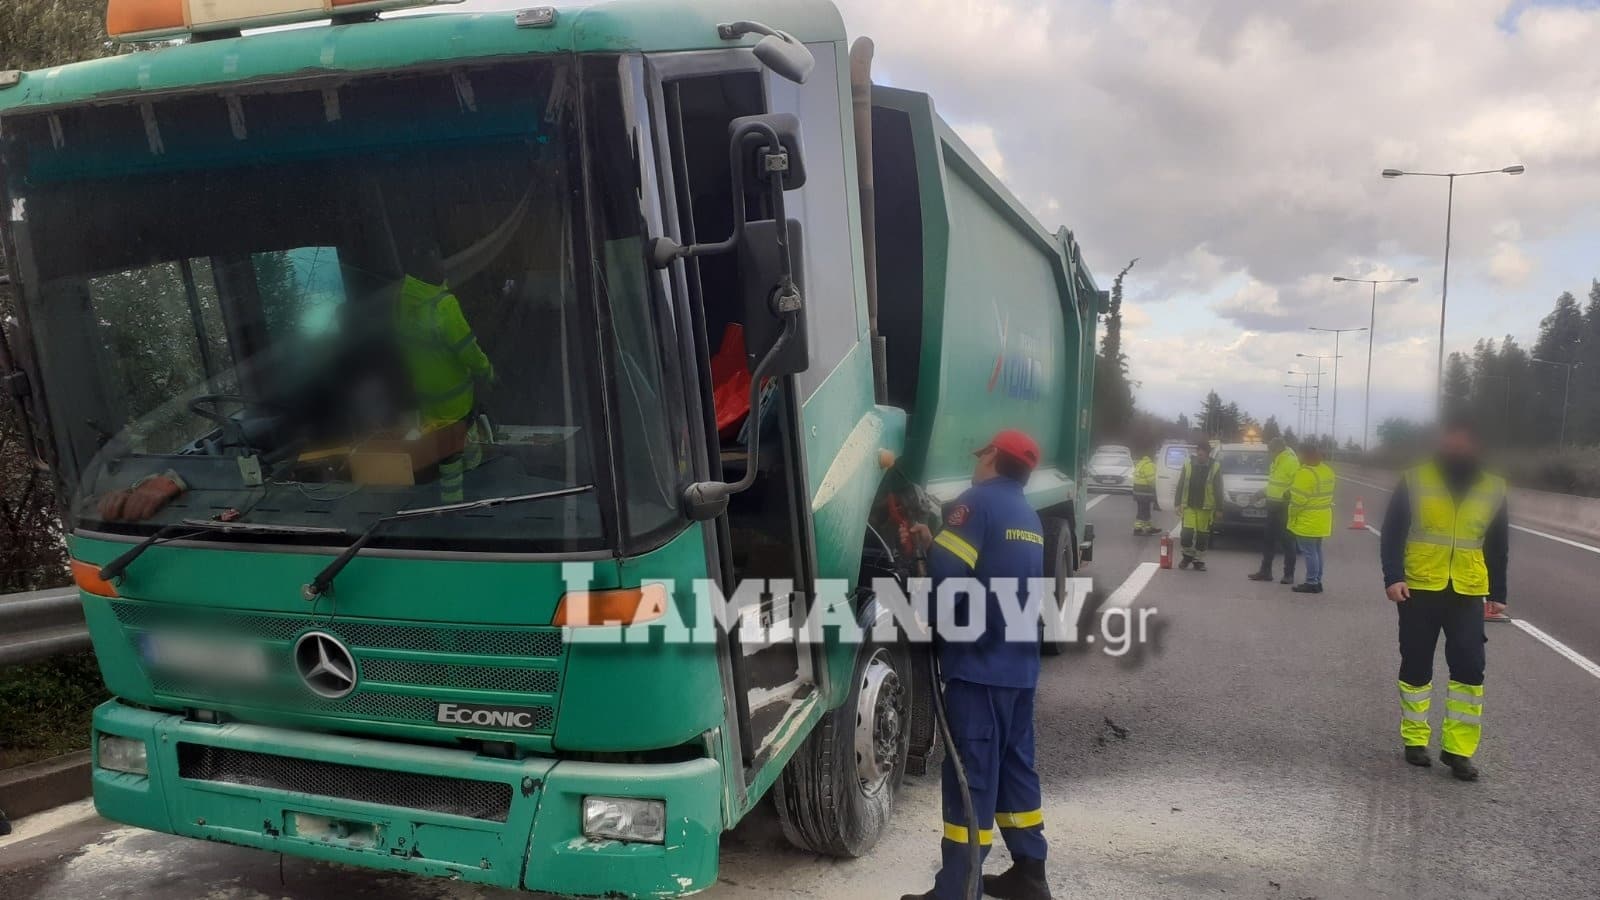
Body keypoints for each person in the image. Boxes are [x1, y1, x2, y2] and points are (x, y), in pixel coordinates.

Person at [901, 429, 1052, 900]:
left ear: (992, 457)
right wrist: (937, 541)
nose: (975, 462)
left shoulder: (976, 503)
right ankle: (1030, 873)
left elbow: (948, 579)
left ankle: (956, 890)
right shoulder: (1028, 515)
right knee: (1014, 769)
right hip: (1019, 670)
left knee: (971, 774)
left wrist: (920, 604)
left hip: (980, 672)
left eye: (979, 454)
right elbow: (991, 567)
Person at [1379, 417, 1508, 781]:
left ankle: (1458, 751)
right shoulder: (1416, 479)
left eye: (1465, 440)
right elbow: (1392, 532)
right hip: (1419, 587)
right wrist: (1393, 577)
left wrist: (1498, 592)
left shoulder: (1493, 487)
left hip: (1467, 591)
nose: (1458, 446)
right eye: (1453, 439)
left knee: (1470, 668)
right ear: (1443, 442)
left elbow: (1498, 543)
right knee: (1417, 664)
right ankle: (1416, 741)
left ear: (1476, 445)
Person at [393, 244, 495, 502]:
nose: (443, 266)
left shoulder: (403, 301)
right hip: (456, 401)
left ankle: (457, 501)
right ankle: (461, 507)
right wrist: (487, 371)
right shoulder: (444, 306)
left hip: (428, 403)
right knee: (458, 455)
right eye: (437, 261)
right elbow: (468, 350)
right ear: (425, 270)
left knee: (447, 450)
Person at [1249, 438, 1299, 584]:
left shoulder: (1291, 462)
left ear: (1277, 449)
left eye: (1270, 451)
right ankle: (1265, 572)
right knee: (1268, 540)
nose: (1269, 454)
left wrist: (1288, 494)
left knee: (1288, 541)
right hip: (1272, 506)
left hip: (1285, 507)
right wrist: (1261, 494)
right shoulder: (1277, 461)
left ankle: (1289, 574)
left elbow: (1297, 484)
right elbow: (1274, 485)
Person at [1287, 443, 1335, 593]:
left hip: (1307, 519)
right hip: (1322, 518)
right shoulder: (1327, 470)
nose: (1299, 457)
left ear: (1306, 455)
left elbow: (1298, 501)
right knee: (1316, 551)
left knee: (1309, 552)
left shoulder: (1305, 474)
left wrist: (1292, 515)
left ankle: (1311, 582)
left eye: (1300, 454)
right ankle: (1317, 580)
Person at [1172, 442, 1222, 571]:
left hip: (1205, 508)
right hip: (1189, 505)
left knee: (1202, 536)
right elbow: (1181, 483)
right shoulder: (1188, 464)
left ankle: (1198, 560)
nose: (1200, 455)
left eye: (1203, 452)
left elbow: (1218, 489)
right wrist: (1177, 503)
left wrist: (1219, 508)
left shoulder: (1215, 467)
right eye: (1198, 451)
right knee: (1186, 534)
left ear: (1208, 454)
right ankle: (1187, 557)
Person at [1131, 451, 1160, 535]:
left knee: (1145, 509)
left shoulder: (1140, 463)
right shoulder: (1149, 465)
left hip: (1137, 491)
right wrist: (1157, 487)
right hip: (1145, 492)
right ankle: (1137, 529)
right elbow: (1151, 480)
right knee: (1143, 510)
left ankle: (1148, 527)